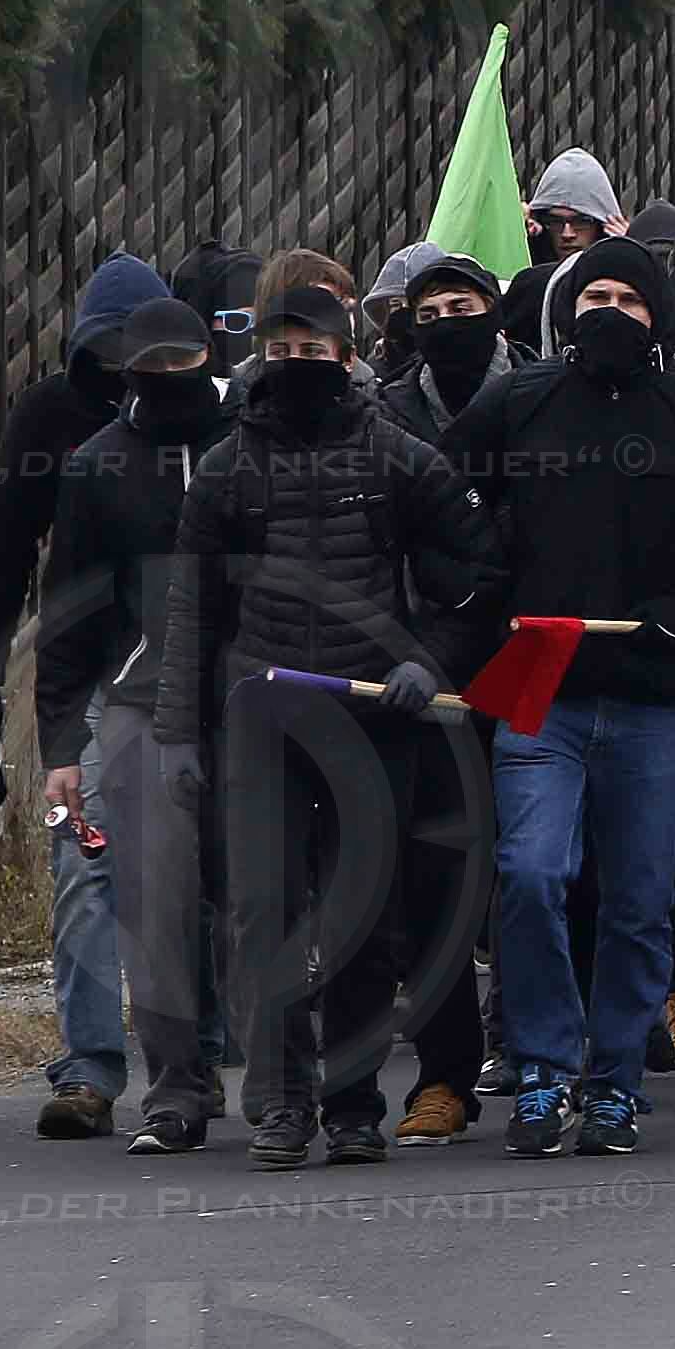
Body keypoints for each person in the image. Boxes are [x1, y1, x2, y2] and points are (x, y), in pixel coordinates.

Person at [160, 265, 505, 1166]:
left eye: (311, 350)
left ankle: (354, 1104)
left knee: (364, 916)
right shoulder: (227, 471)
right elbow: (192, 613)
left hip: (370, 719)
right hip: (263, 724)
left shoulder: (398, 456)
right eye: (279, 351)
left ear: (346, 356)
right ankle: (282, 1102)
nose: (295, 363)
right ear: (257, 358)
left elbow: (477, 580)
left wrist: (425, 667)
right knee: (263, 916)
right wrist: (178, 734)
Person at [452, 237, 675, 1158]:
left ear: (661, 318)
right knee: (532, 873)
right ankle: (544, 1069)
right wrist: (481, 591)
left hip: (654, 693)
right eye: (595, 295)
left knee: (638, 899)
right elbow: (438, 499)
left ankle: (616, 1082)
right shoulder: (518, 402)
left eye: (632, 302)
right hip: (541, 685)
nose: (611, 316)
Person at [0, 250, 175, 1139]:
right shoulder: (51, 422)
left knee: (190, 872)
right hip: (89, 683)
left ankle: (195, 1044)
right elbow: (4, 560)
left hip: (194, 679)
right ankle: (89, 1066)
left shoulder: (212, 418)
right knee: (84, 868)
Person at [34, 298, 236, 1149]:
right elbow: (69, 608)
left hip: (242, 697)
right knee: (117, 881)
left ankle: (240, 1055)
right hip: (129, 703)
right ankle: (124, 1075)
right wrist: (60, 744)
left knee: (235, 889)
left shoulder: (248, 451)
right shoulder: (97, 468)